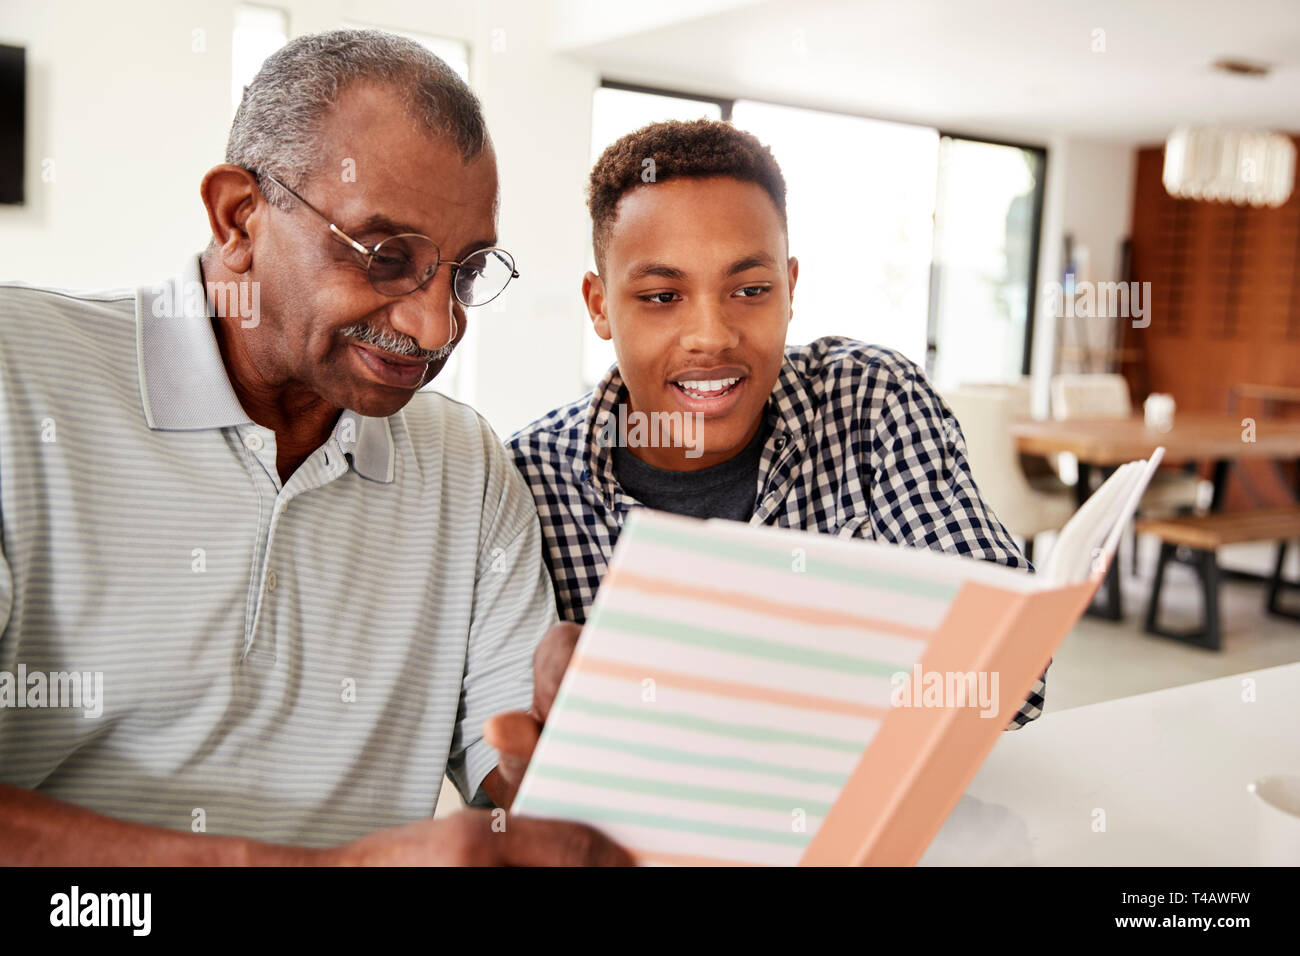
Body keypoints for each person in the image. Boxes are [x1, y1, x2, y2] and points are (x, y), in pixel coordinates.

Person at [0, 29, 628, 866]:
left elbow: (523, 789)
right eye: (386, 256)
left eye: (466, 273)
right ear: (238, 216)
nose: (435, 328)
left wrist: (588, 755)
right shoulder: (18, 377)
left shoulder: (463, 465)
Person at [508, 119, 1047, 730]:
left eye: (751, 289)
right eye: (662, 297)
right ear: (600, 306)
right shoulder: (528, 480)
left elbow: (1012, 673)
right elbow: (495, 755)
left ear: (790, 289)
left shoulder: (872, 401)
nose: (711, 336)